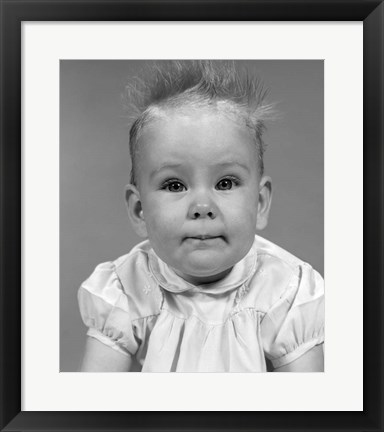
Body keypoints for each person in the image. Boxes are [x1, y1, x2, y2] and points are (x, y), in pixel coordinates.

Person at [78, 60, 324, 372]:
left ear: (260, 203)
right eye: (175, 185)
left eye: (225, 183)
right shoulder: (125, 289)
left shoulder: (286, 290)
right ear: (139, 210)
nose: (202, 206)